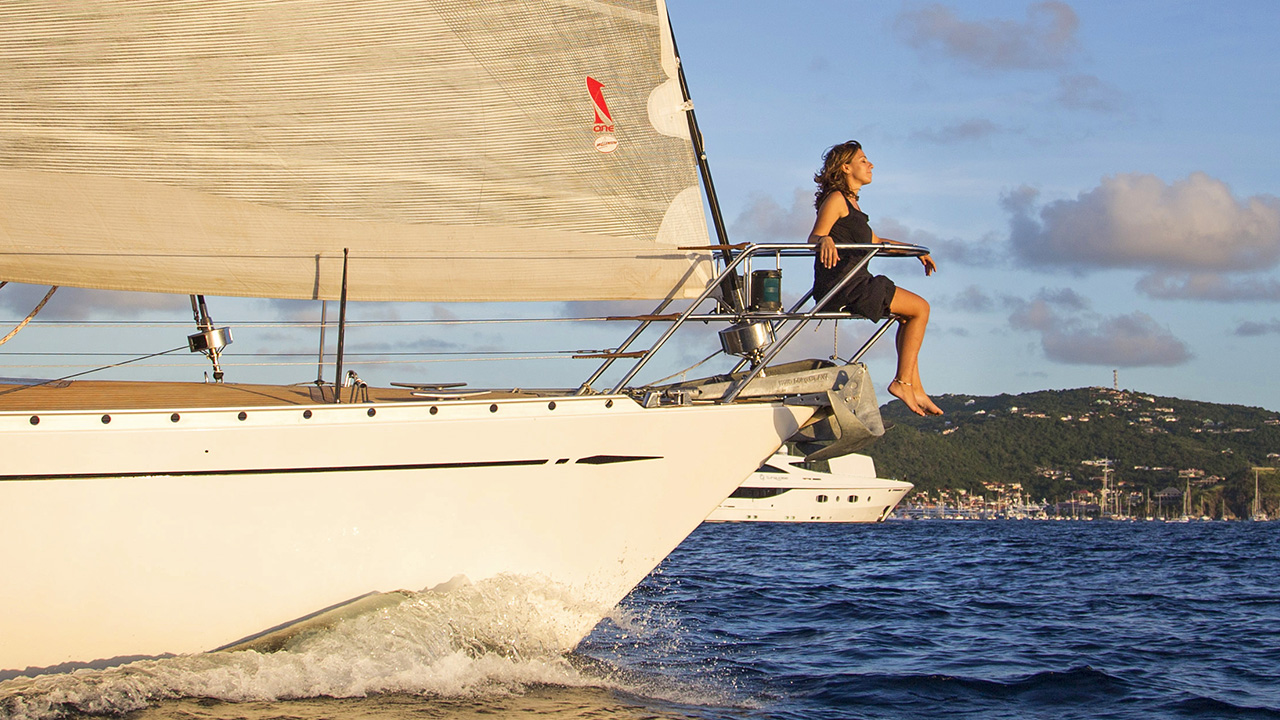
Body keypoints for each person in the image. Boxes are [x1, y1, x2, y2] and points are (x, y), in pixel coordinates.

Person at [808, 140, 942, 416]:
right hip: (844, 286)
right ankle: (902, 383)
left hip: (855, 282)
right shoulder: (836, 199)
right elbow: (815, 236)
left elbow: (877, 242)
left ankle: (915, 387)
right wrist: (825, 240)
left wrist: (915, 251)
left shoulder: (853, 205)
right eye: (863, 160)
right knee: (920, 308)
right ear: (846, 167)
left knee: (908, 316)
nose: (870, 165)